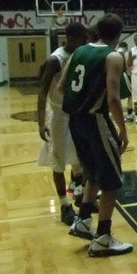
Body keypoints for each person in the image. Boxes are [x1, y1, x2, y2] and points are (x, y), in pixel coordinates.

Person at [59, 13, 132, 257]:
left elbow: (61, 87)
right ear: (118, 34)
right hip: (95, 120)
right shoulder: (113, 56)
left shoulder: (78, 51)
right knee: (111, 179)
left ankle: (82, 221)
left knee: (92, 172)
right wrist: (123, 129)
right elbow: (112, 98)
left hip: (75, 121)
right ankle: (103, 237)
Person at [36, 22, 88, 225]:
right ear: (73, 39)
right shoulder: (55, 60)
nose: (86, 43)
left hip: (76, 114)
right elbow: (41, 93)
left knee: (80, 158)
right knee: (57, 160)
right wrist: (41, 123)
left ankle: (81, 195)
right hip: (58, 115)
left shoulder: (79, 55)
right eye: (83, 40)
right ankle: (64, 205)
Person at [116, 41, 134, 121]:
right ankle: (130, 114)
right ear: (126, 47)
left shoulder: (114, 53)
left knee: (117, 96)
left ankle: (118, 115)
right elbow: (128, 67)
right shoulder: (126, 53)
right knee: (130, 95)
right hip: (124, 76)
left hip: (115, 76)